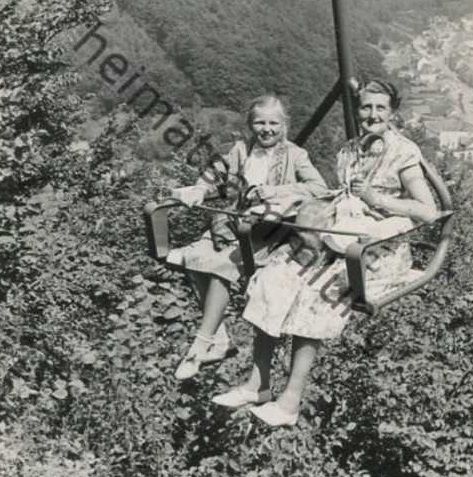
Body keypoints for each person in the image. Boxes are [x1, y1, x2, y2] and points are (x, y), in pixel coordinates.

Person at [212, 80, 438, 426]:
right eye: (366, 107)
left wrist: (377, 200)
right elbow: (341, 194)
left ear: (393, 112)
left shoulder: (402, 152)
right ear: (357, 110)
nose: (372, 114)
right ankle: (258, 385)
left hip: (376, 248)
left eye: (380, 108)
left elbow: (427, 211)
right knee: (274, 275)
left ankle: (289, 403)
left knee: (317, 291)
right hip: (339, 233)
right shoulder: (349, 151)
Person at [167, 94, 327, 381]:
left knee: (220, 269)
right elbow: (215, 175)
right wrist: (199, 190)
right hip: (234, 223)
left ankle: (199, 347)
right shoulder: (242, 150)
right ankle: (220, 340)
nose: (266, 129)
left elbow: (318, 187)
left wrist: (276, 192)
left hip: (268, 232)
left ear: (284, 125)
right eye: (259, 123)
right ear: (250, 125)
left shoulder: (295, 155)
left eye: (273, 123)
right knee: (192, 260)